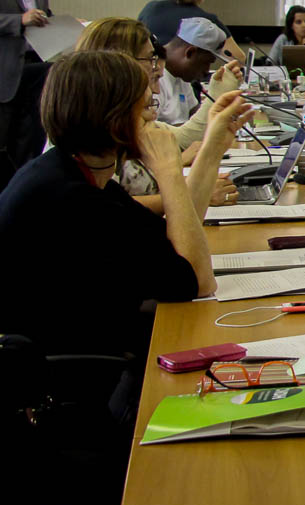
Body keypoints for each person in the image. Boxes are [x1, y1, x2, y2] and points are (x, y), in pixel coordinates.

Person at [0, 51, 240, 357]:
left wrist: (212, 149)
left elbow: (177, 237)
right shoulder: (74, 200)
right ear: (116, 119)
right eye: (147, 107)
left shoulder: (70, 170)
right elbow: (197, 281)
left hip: (85, 339)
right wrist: (168, 171)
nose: (154, 120)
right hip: (78, 367)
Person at [74, 17, 241, 208]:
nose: (157, 70)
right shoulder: (93, 129)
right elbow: (105, 209)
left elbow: (183, 138)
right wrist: (192, 194)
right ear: (118, 61)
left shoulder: (125, 118)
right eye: (150, 59)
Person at [0, 0, 52, 187]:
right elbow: (24, 19)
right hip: (5, 72)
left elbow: (44, 16)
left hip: (35, 69)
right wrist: (19, 20)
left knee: (29, 143)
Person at [138, 0, 245, 64]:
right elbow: (239, 59)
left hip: (149, 72)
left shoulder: (151, 8)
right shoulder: (205, 21)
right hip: (182, 75)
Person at [157, 17, 241, 127]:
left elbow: (195, 114)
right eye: (206, 62)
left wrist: (222, 103)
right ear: (190, 53)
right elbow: (151, 133)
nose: (207, 71)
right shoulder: (152, 76)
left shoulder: (181, 74)